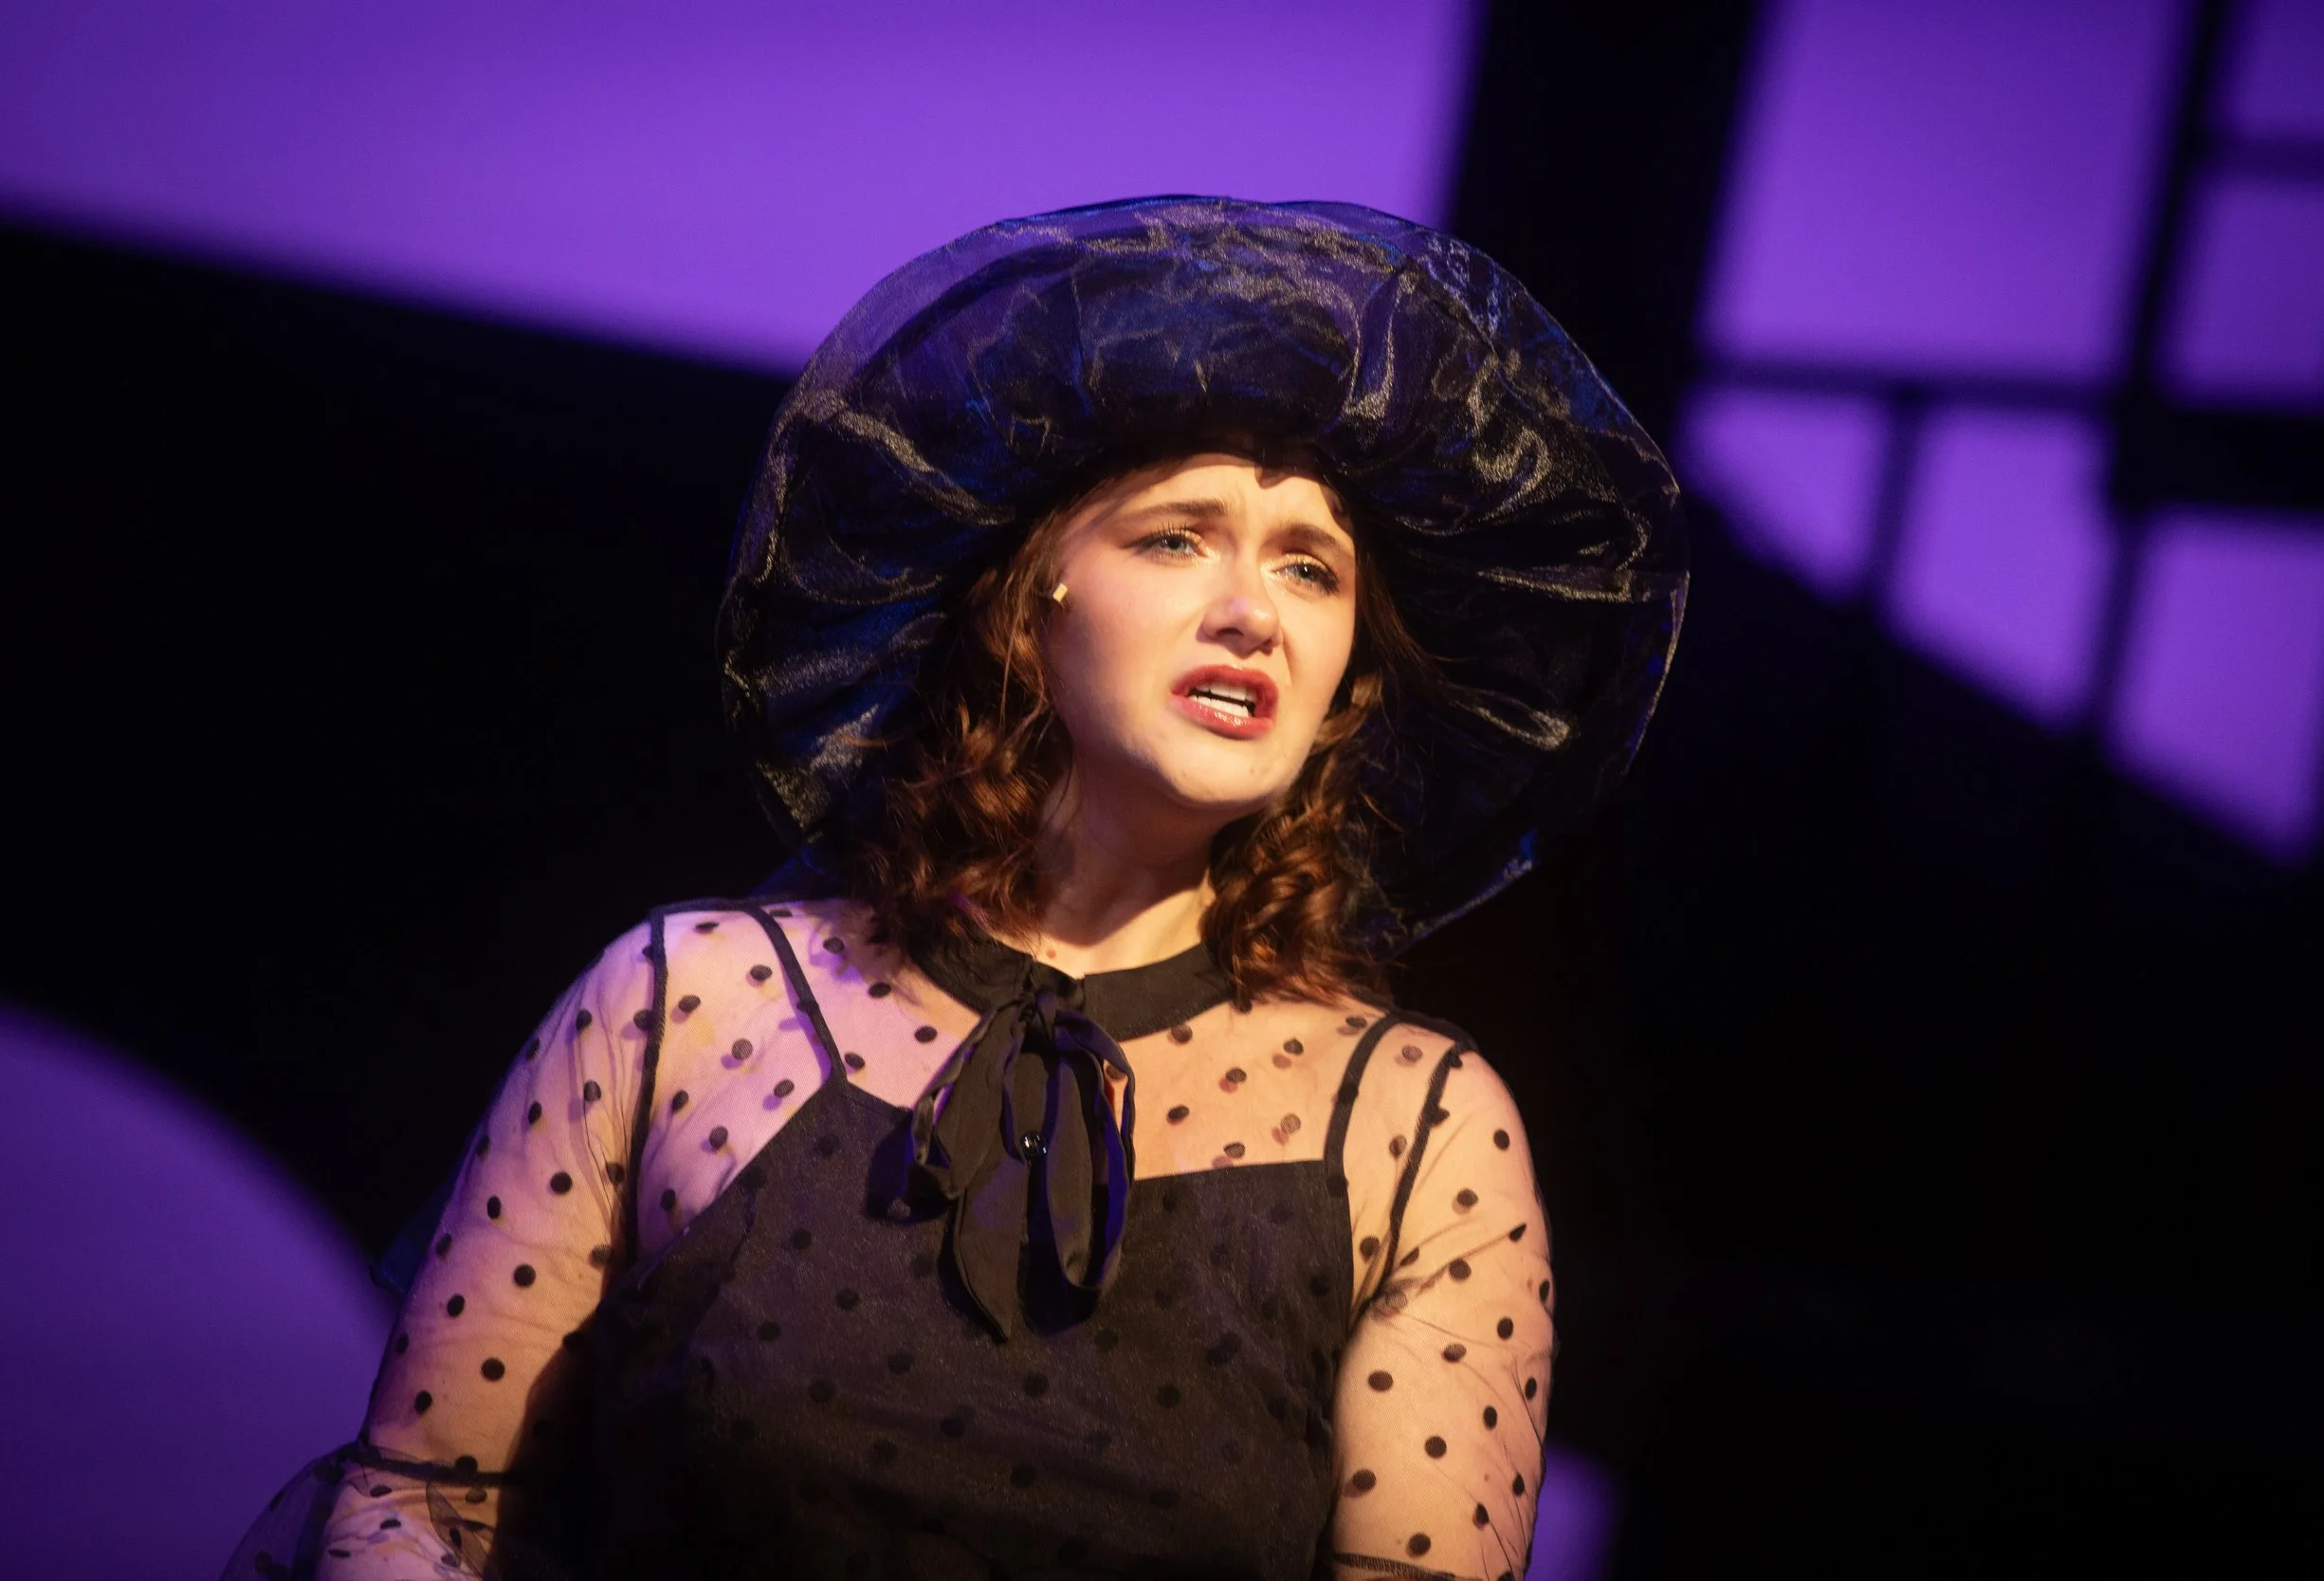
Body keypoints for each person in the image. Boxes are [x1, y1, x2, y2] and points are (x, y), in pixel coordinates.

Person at [225, 196, 1687, 1581]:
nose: (1252, 609)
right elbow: (426, 1499)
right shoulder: (688, 1002)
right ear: (1034, 589)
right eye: (1178, 537)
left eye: (1311, 569)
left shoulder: (1416, 1128)